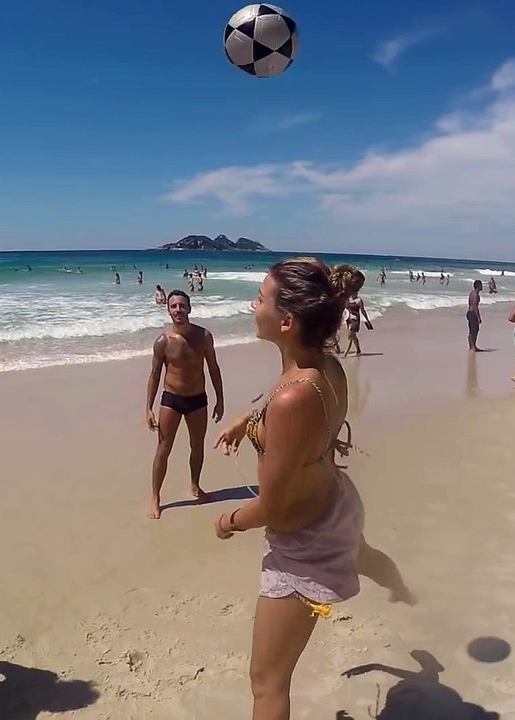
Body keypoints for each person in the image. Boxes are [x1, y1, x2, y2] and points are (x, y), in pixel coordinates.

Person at [212, 258, 365, 720]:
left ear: (285, 321)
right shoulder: (323, 367)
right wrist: (247, 419)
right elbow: (288, 405)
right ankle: (385, 574)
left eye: (260, 297)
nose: (251, 304)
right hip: (332, 504)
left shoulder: (294, 396)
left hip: (305, 546)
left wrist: (227, 521)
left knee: (267, 684)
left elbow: (272, 509)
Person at [145, 290, 224, 519]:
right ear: (168, 310)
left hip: (198, 399)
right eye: (173, 306)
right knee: (163, 449)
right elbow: (154, 374)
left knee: (197, 446)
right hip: (171, 400)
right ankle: (155, 497)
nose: (178, 310)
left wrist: (220, 399)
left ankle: (195, 486)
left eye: (182, 305)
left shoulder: (204, 336)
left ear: (189, 308)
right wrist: (148, 408)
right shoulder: (163, 342)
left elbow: (214, 369)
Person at [342, 271, 372, 358]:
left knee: (350, 335)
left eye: (355, 292)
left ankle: (346, 353)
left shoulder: (359, 301)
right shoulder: (348, 299)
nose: (354, 293)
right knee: (353, 336)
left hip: (355, 319)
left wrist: (367, 320)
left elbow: (363, 311)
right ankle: (358, 350)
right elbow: (345, 308)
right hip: (348, 318)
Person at [466, 280, 483, 351]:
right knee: (474, 330)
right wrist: (478, 317)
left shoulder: (472, 293)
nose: (482, 286)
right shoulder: (476, 294)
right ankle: (473, 347)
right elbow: (475, 306)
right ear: (478, 286)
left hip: (469, 312)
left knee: (472, 330)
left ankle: (472, 346)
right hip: (473, 313)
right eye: (481, 285)